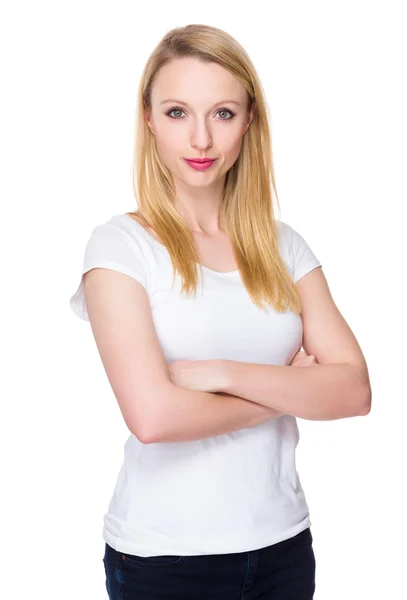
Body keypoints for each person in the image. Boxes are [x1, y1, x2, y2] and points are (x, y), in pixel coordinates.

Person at [69, 23, 371, 600]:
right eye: (179, 111)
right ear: (150, 119)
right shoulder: (119, 248)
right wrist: (289, 388)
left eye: (223, 113)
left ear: (250, 120)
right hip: (165, 559)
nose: (201, 138)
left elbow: (354, 392)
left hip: (283, 547)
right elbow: (154, 420)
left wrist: (222, 375)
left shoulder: (285, 247)